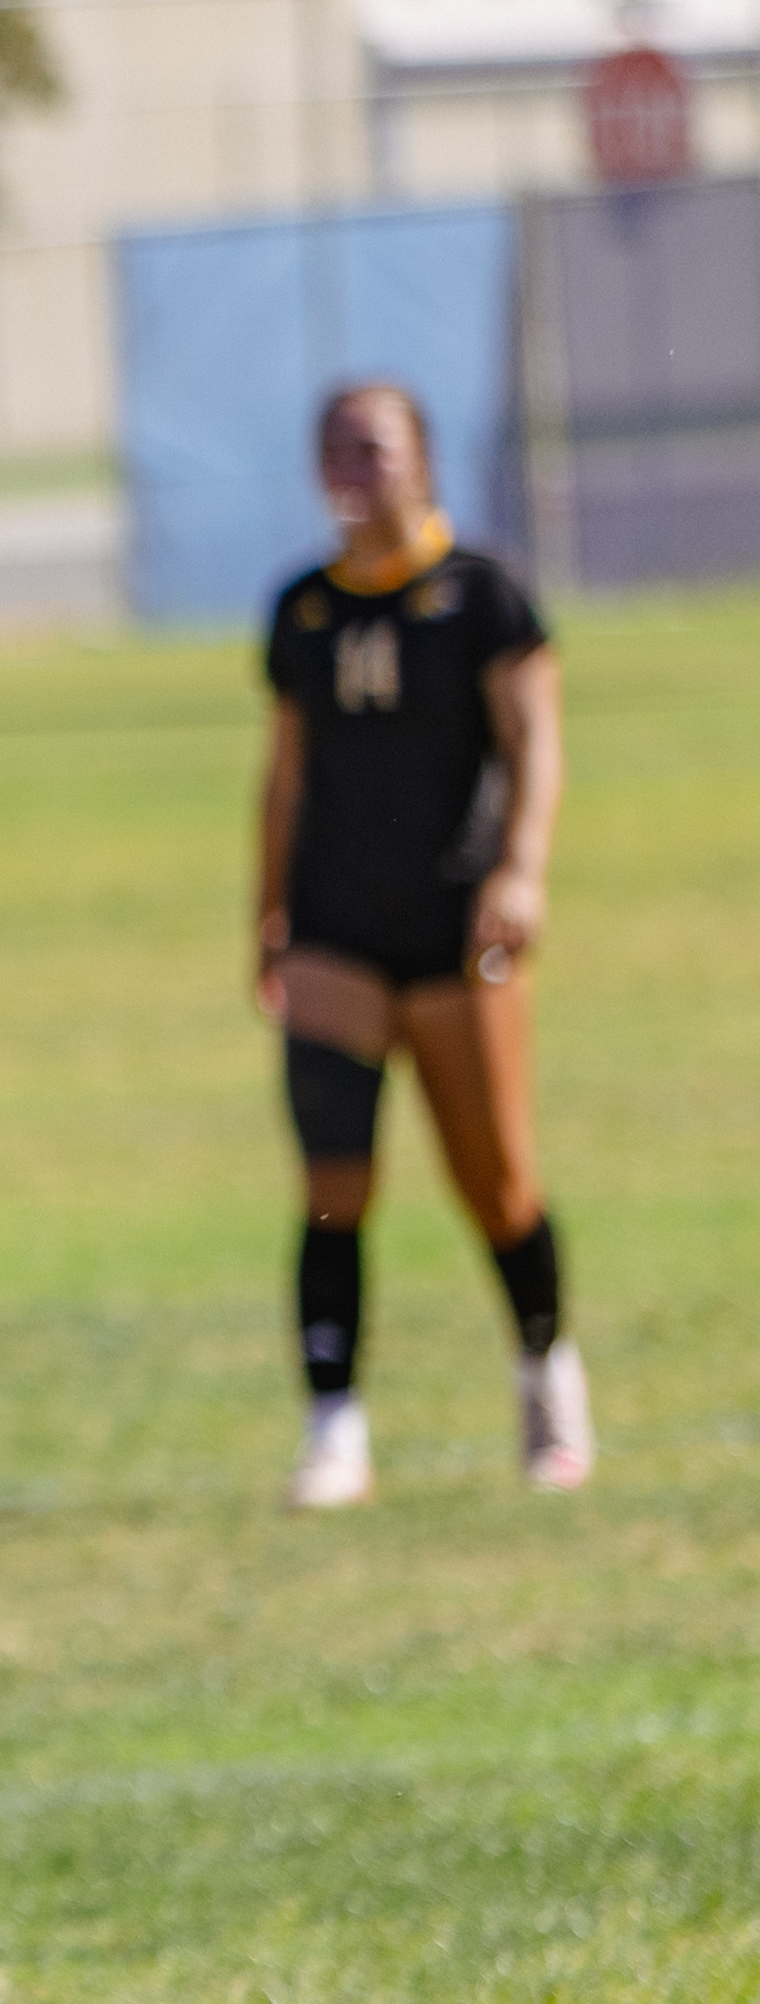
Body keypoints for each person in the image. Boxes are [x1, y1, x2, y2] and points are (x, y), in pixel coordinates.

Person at [255, 376, 575, 1509]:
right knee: (334, 1181)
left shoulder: (483, 594)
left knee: (495, 1181)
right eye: (336, 448)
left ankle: (545, 1370)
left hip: (458, 920)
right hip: (338, 929)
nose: (355, 468)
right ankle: (334, 1425)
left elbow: (537, 739)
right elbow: (287, 774)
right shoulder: (301, 611)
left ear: (423, 459)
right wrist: (268, 913)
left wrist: (524, 868)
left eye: (374, 447)